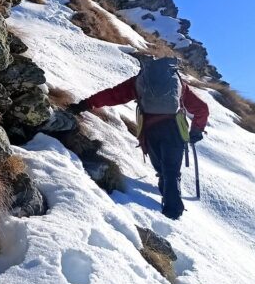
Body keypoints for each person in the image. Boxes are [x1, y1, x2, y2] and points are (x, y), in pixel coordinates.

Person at [70, 58, 209, 219]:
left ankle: (165, 191)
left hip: (150, 130)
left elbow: (113, 95)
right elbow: (202, 108)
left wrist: (86, 104)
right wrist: (196, 131)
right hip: (173, 129)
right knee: (172, 170)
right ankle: (173, 213)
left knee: (162, 169)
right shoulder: (178, 83)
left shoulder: (139, 81)